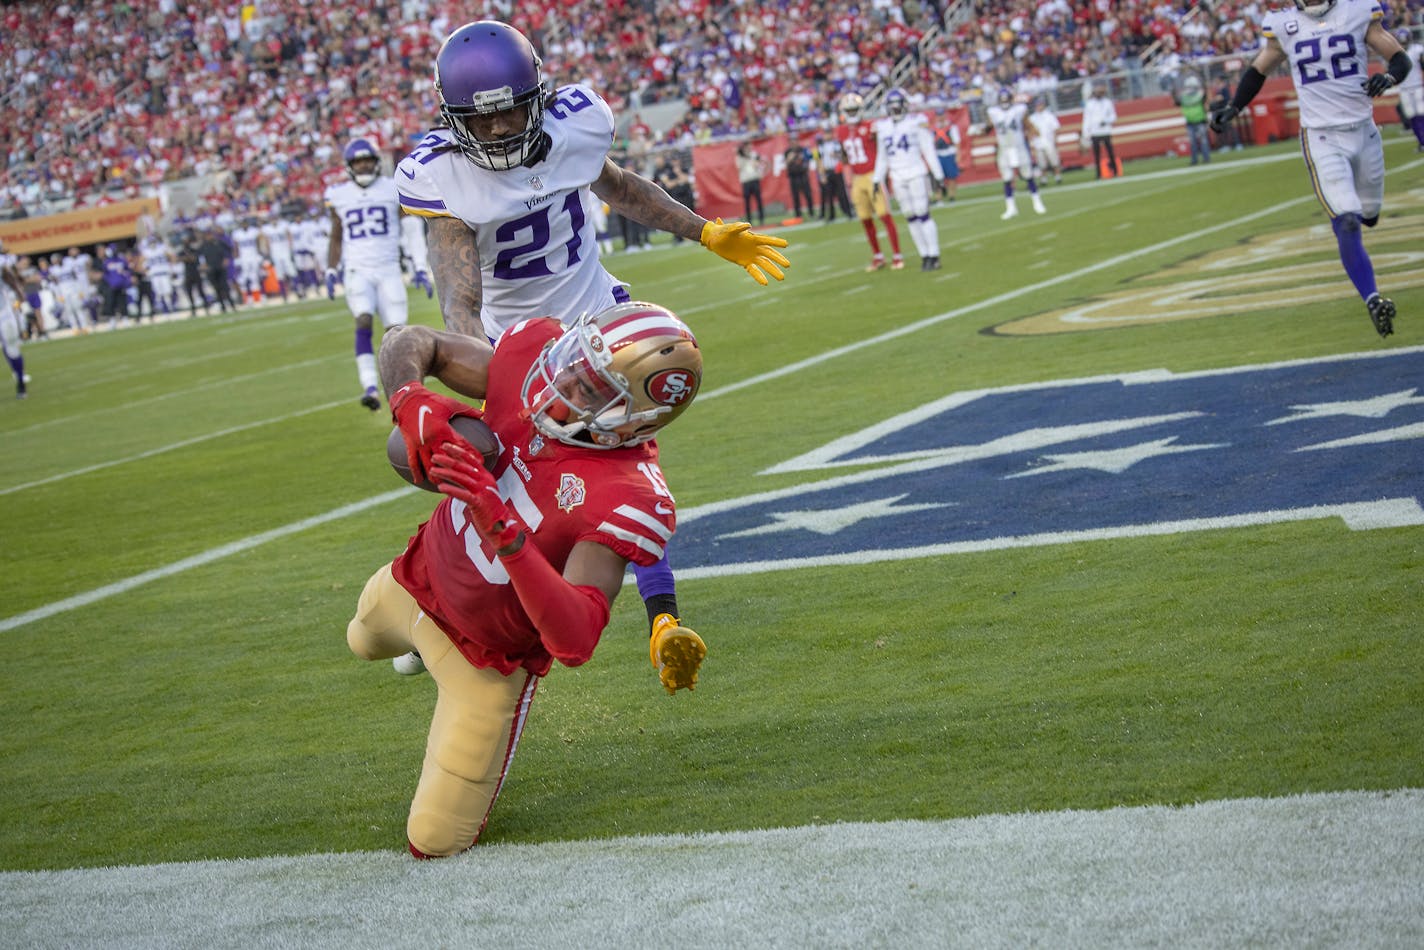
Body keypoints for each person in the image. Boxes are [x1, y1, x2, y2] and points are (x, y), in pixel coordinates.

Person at [395, 19, 790, 652]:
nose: (497, 129)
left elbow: (623, 189)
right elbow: (457, 290)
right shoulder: (440, 174)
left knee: (623, 455)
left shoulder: (573, 126)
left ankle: (661, 614)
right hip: (513, 341)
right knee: (492, 475)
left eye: (510, 113)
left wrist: (706, 231)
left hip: (595, 321)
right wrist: (484, 372)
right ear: (450, 115)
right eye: (481, 119)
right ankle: (442, 604)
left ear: (539, 98)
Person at [348, 300, 708, 858]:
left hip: (486, 663)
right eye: (574, 362)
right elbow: (410, 340)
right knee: (359, 639)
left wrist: (508, 536)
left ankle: (434, 665)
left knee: (434, 841)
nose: (563, 380)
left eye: (591, 386)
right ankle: (413, 648)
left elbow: (576, 639)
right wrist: (409, 399)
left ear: (635, 417)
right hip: (413, 577)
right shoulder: (532, 353)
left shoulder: (630, 495)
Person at [1210, 0, 1411, 338]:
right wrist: (1234, 107)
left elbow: (1400, 58)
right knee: (1346, 219)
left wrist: (1389, 77)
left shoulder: (1358, 11)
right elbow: (1258, 70)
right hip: (1321, 136)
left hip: (1364, 131)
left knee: (1369, 214)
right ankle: (1373, 298)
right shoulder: (1284, 25)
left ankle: (1356, 236)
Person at [325, 137, 433, 412]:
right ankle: (369, 385)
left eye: (367, 161)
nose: (363, 166)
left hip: (388, 269)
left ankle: (402, 390)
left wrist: (420, 265)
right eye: (358, 162)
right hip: (357, 269)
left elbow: (410, 228)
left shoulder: (391, 189)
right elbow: (337, 237)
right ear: (350, 166)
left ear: (375, 163)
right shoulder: (339, 195)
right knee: (362, 321)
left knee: (395, 333)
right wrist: (330, 268)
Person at [872, 88, 944, 270]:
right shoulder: (883, 127)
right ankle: (924, 255)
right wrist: (876, 179)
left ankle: (934, 254)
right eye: (892, 107)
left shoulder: (916, 122)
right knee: (910, 216)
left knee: (922, 212)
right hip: (896, 175)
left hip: (916, 172)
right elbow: (882, 156)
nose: (895, 111)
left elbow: (928, 149)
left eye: (898, 107)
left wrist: (938, 175)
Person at [835, 91, 904, 270]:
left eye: (854, 110)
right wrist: (847, 175)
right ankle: (878, 256)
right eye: (848, 111)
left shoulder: (871, 126)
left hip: (872, 175)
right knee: (865, 219)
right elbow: (844, 155)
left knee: (884, 216)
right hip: (857, 178)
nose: (851, 114)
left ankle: (897, 254)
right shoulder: (842, 131)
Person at [986, 88, 1047, 220]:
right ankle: (1011, 208)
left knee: (1028, 175)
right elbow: (988, 128)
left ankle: (1037, 202)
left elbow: (1027, 124)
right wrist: (979, 130)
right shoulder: (993, 112)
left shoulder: (1019, 110)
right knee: (1007, 178)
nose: (1004, 103)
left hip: (1018, 147)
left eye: (1006, 100)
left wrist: (1034, 131)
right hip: (1004, 148)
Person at [0, 240, 28, 397]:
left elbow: (10, 277)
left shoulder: (2, 262)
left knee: (11, 343)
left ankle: (20, 380)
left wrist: (19, 293)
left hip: (2, 309)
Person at [1395, 28, 1424, 150]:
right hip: (1404, 89)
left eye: (1405, 40)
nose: (1403, 43)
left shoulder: (1417, 50)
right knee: (1411, 116)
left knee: (1421, 113)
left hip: (1417, 86)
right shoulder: (1395, 52)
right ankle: (1421, 142)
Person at [1082, 83, 1119, 178]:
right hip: (1095, 132)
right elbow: (1087, 119)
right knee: (1097, 154)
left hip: (1106, 130)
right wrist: (1086, 132)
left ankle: (1115, 171)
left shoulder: (1107, 102)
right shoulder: (1090, 104)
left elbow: (1113, 116)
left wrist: (1106, 121)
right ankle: (1099, 174)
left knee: (1110, 152)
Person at [197, 226, 237, 314]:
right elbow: (198, 256)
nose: (209, 237)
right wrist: (202, 265)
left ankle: (232, 305)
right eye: (207, 235)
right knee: (217, 289)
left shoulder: (219, 242)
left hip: (221, 268)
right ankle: (223, 307)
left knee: (225, 288)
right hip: (211, 270)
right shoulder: (203, 246)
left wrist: (227, 259)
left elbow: (229, 250)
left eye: (210, 234)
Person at [1174, 74, 1211, 166]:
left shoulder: (1186, 96)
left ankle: (1203, 159)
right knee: (1197, 142)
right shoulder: (1194, 95)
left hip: (1198, 120)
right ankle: (1197, 159)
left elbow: (1176, 101)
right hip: (1192, 121)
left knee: (1200, 141)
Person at [814, 135, 853, 222]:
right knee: (829, 195)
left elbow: (842, 156)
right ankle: (831, 215)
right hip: (827, 171)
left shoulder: (836, 143)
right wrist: (822, 175)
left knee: (842, 193)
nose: (827, 136)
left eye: (828, 133)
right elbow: (819, 161)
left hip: (836, 170)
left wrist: (836, 155)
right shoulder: (821, 147)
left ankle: (848, 212)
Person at [1026, 99, 1063, 183]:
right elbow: (1029, 131)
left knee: (1054, 160)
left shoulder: (1049, 116)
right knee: (1041, 162)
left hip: (1049, 141)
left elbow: (1055, 128)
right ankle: (1044, 178)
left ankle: (1057, 176)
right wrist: (1032, 139)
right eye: (1038, 105)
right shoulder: (1032, 118)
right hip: (1038, 142)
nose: (1039, 107)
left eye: (1040, 105)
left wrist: (1055, 139)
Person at [931, 110, 962, 201]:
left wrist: (958, 154)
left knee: (951, 176)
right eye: (938, 116)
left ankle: (951, 195)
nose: (940, 118)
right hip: (938, 154)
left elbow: (957, 141)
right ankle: (938, 196)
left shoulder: (951, 127)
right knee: (938, 177)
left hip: (949, 153)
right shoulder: (933, 129)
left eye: (942, 115)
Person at [736, 143, 766, 226]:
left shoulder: (754, 155)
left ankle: (761, 219)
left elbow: (760, 163)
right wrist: (743, 156)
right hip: (746, 181)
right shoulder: (740, 157)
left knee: (759, 200)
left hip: (754, 179)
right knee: (747, 202)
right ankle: (749, 220)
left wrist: (756, 163)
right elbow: (739, 166)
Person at [783, 140, 815, 219]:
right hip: (793, 176)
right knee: (796, 197)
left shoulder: (802, 149)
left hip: (803, 175)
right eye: (792, 141)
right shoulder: (788, 152)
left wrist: (805, 165)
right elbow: (785, 164)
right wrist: (789, 159)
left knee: (808, 195)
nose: (794, 143)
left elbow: (809, 158)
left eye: (795, 140)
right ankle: (798, 215)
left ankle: (811, 213)